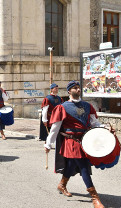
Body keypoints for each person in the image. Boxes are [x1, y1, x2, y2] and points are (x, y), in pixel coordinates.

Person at [44, 80, 105, 208]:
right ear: (69, 91)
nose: (78, 89)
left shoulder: (87, 106)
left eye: (79, 87)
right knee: (83, 166)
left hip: (84, 140)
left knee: (72, 164)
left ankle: (62, 184)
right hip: (71, 141)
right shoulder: (63, 107)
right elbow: (55, 128)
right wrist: (48, 143)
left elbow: (94, 123)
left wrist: (105, 129)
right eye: (75, 88)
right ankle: (95, 197)